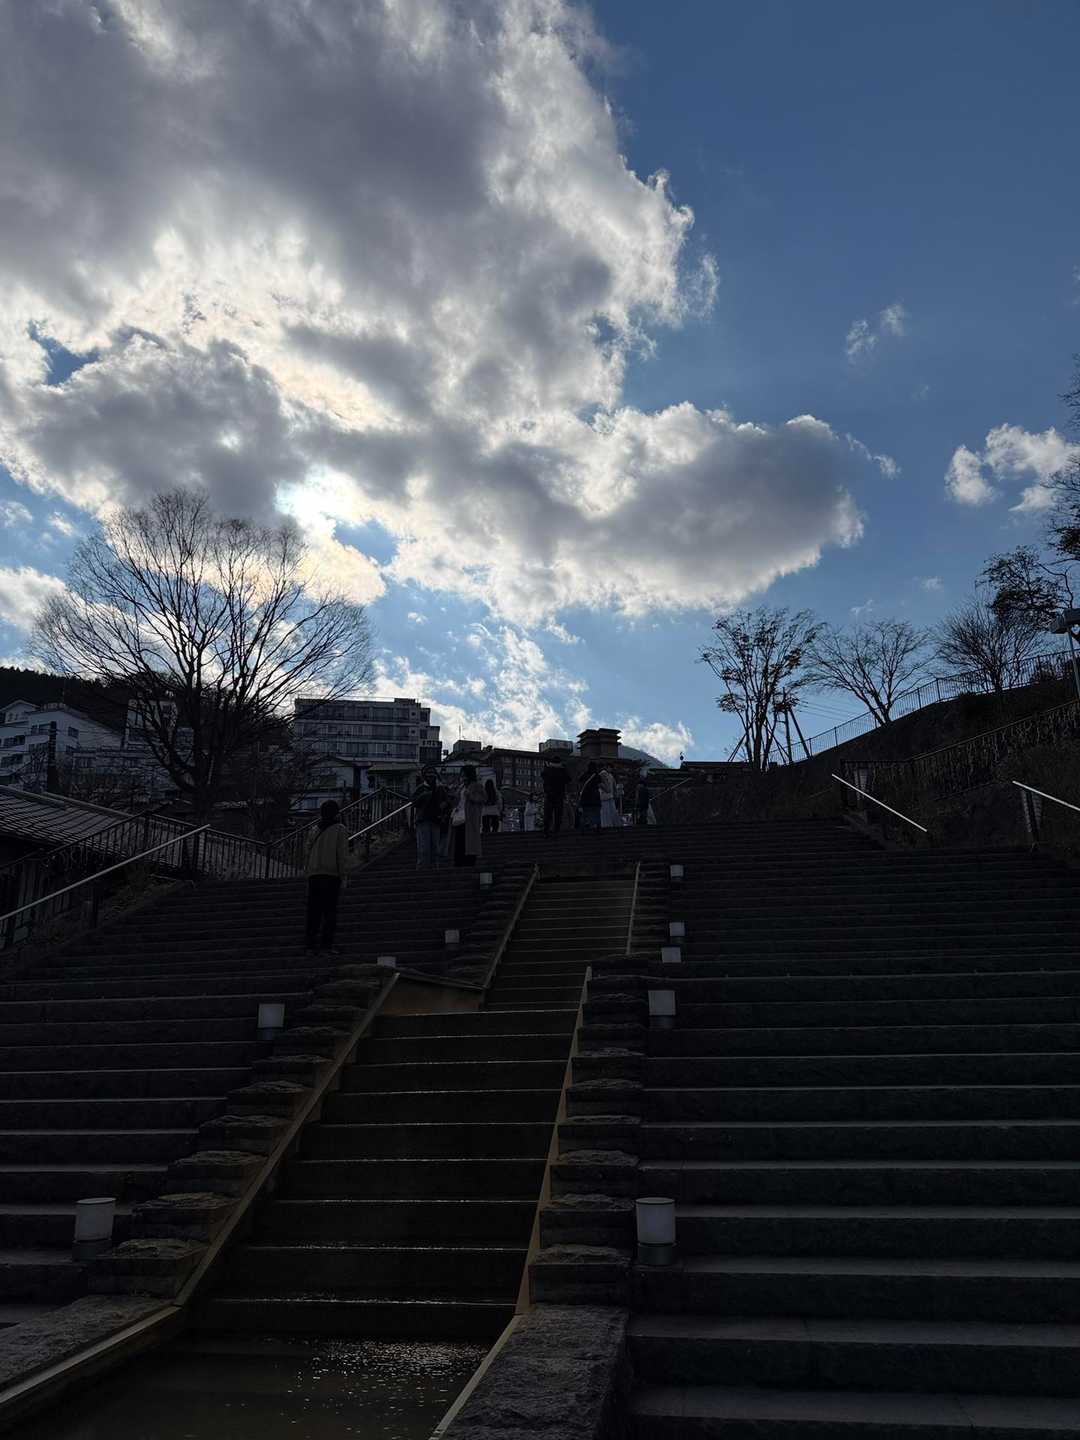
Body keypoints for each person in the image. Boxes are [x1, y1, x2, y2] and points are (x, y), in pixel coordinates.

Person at [304, 800, 349, 954]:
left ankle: (310, 945)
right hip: (331, 875)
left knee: (313, 912)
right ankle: (326, 945)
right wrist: (344, 875)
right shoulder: (340, 829)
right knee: (330, 911)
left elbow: (307, 852)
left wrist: (307, 873)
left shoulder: (314, 829)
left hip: (314, 875)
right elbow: (342, 854)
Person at [412, 766, 450, 869]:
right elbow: (413, 802)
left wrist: (444, 804)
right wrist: (423, 796)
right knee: (424, 847)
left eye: (432, 775)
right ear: (425, 776)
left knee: (435, 846)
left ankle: (434, 867)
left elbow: (448, 800)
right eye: (428, 775)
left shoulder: (440, 788)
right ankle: (422, 867)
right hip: (423, 819)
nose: (431, 777)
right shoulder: (421, 788)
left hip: (436, 820)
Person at [452, 764, 486, 866]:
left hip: (470, 818)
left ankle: (468, 862)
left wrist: (470, 794)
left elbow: (482, 798)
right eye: (461, 774)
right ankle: (459, 862)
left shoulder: (476, 786)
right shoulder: (461, 786)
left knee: (468, 841)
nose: (462, 777)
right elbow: (457, 801)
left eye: (464, 774)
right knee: (459, 841)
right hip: (459, 817)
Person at [541, 754, 570, 836]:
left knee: (548, 814)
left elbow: (542, 775)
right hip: (559, 795)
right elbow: (568, 779)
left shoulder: (548, 769)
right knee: (558, 815)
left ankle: (546, 831)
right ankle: (556, 831)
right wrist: (565, 768)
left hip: (549, 795)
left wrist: (546, 767)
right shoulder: (562, 770)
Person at [579, 761, 602, 830]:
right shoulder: (597, 776)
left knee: (586, 814)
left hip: (585, 798)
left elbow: (579, 783)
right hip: (595, 798)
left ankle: (585, 828)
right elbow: (600, 785)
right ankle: (597, 828)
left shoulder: (584, 775)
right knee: (596, 814)